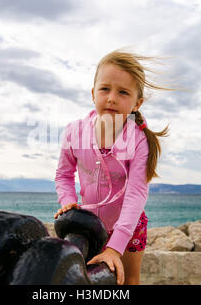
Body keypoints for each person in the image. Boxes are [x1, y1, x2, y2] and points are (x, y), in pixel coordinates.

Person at [54, 48, 170, 285]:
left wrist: (115, 247)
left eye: (123, 92)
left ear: (137, 103)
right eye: (105, 89)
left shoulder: (139, 141)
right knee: (85, 280)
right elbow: (63, 174)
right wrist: (67, 202)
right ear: (93, 93)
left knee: (127, 280)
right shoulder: (75, 131)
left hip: (129, 226)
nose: (112, 98)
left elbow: (136, 194)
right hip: (88, 225)